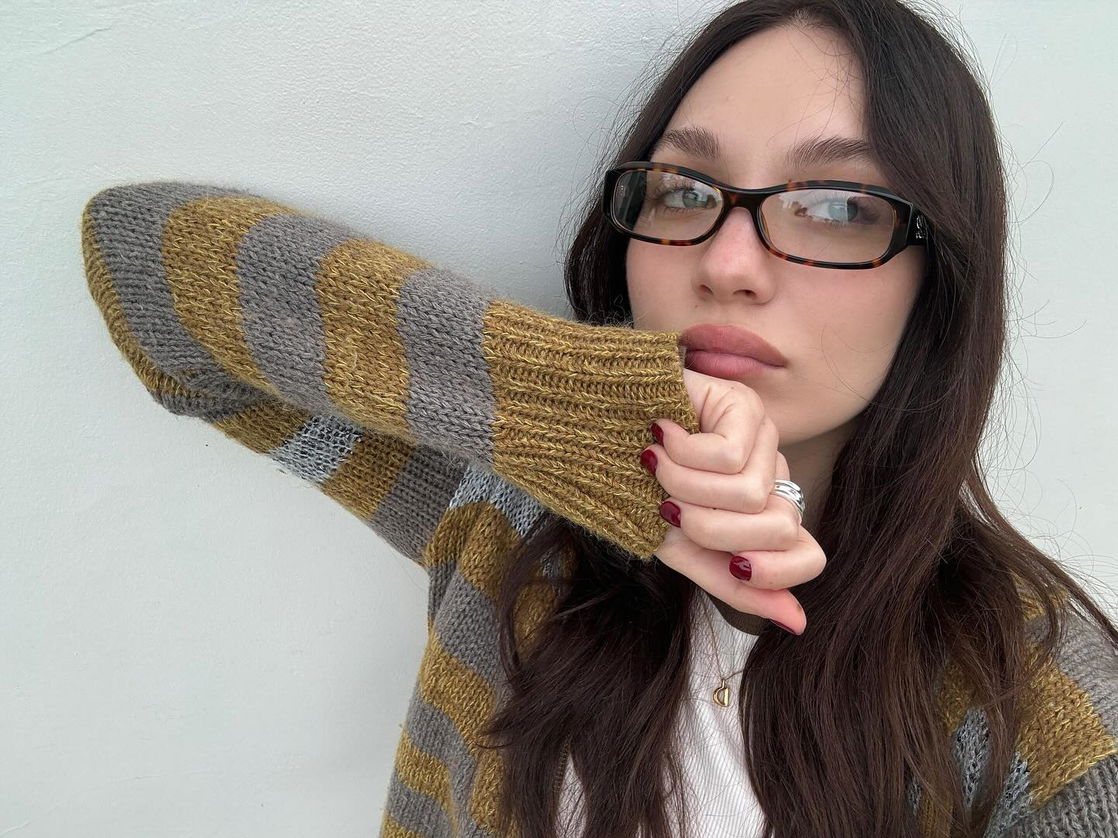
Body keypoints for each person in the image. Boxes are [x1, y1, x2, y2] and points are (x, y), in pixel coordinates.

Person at [79, 0, 1118, 835]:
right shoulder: (511, 518)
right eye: (683, 190)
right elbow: (145, 275)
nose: (726, 262)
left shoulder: (1048, 710)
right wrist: (575, 418)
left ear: (938, 285)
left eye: (838, 207)